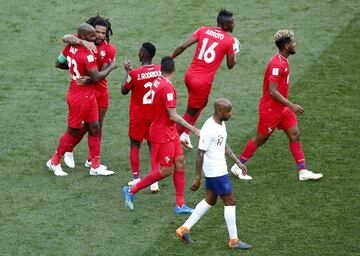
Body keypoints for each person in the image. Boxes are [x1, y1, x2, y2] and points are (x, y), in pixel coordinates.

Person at [231, 29, 323, 181]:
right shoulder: (276, 64)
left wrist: (287, 107)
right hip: (271, 109)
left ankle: (303, 171)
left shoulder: (284, 60)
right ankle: (237, 166)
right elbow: (272, 91)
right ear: (286, 46)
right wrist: (291, 105)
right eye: (293, 42)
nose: (295, 44)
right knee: (260, 140)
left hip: (282, 109)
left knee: (295, 135)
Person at [122, 57, 200, 214]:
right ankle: (131, 190)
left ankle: (180, 205)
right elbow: (172, 115)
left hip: (168, 131)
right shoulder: (166, 88)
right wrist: (193, 129)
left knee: (179, 163)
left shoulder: (158, 80)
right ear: (174, 70)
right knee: (165, 171)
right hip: (162, 133)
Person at [176, 98, 252, 250]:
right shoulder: (209, 128)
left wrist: (237, 161)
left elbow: (224, 145)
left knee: (210, 200)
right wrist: (197, 177)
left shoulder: (221, 124)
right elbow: (200, 154)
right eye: (228, 111)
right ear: (219, 111)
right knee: (230, 202)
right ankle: (234, 241)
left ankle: (183, 229)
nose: (231, 114)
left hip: (218, 169)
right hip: (215, 171)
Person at [46, 23, 118, 176]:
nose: (95, 38)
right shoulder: (88, 54)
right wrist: (112, 66)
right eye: (92, 35)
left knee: (95, 126)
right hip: (80, 96)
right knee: (73, 129)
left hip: (86, 93)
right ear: (84, 37)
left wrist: (75, 71)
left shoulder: (70, 47)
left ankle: (95, 166)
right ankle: (54, 161)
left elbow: (59, 62)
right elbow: (97, 76)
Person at [171, 9, 238, 149]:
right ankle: (173, 140)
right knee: (190, 112)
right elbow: (230, 65)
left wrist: (169, 59)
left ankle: (185, 134)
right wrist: (234, 53)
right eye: (232, 23)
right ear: (225, 25)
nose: (234, 25)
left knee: (202, 103)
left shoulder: (203, 30)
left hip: (190, 76)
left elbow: (183, 46)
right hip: (202, 82)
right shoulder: (229, 40)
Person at [121, 42, 161, 192]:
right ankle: (154, 181)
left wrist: (127, 71)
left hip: (138, 117)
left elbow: (124, 90)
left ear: (144, 55)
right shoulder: (159, 70)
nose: (138, 53)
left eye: (139, 52)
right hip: (155, 116)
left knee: (135, 145)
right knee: (153, 146)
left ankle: (137, 178)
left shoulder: (135, 73)